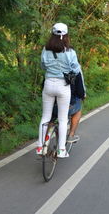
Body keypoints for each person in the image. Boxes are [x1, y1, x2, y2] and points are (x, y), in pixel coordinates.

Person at [36, 23, 82, 158]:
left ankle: (40, 147)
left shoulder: (45, 49)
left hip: (48, 85)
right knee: (62, 119)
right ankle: (61, 150)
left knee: (45, 117)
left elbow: (43, 66)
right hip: (63, 87)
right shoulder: (70, 52)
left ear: (53, 34)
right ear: (66, 35)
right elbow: (76, 69)